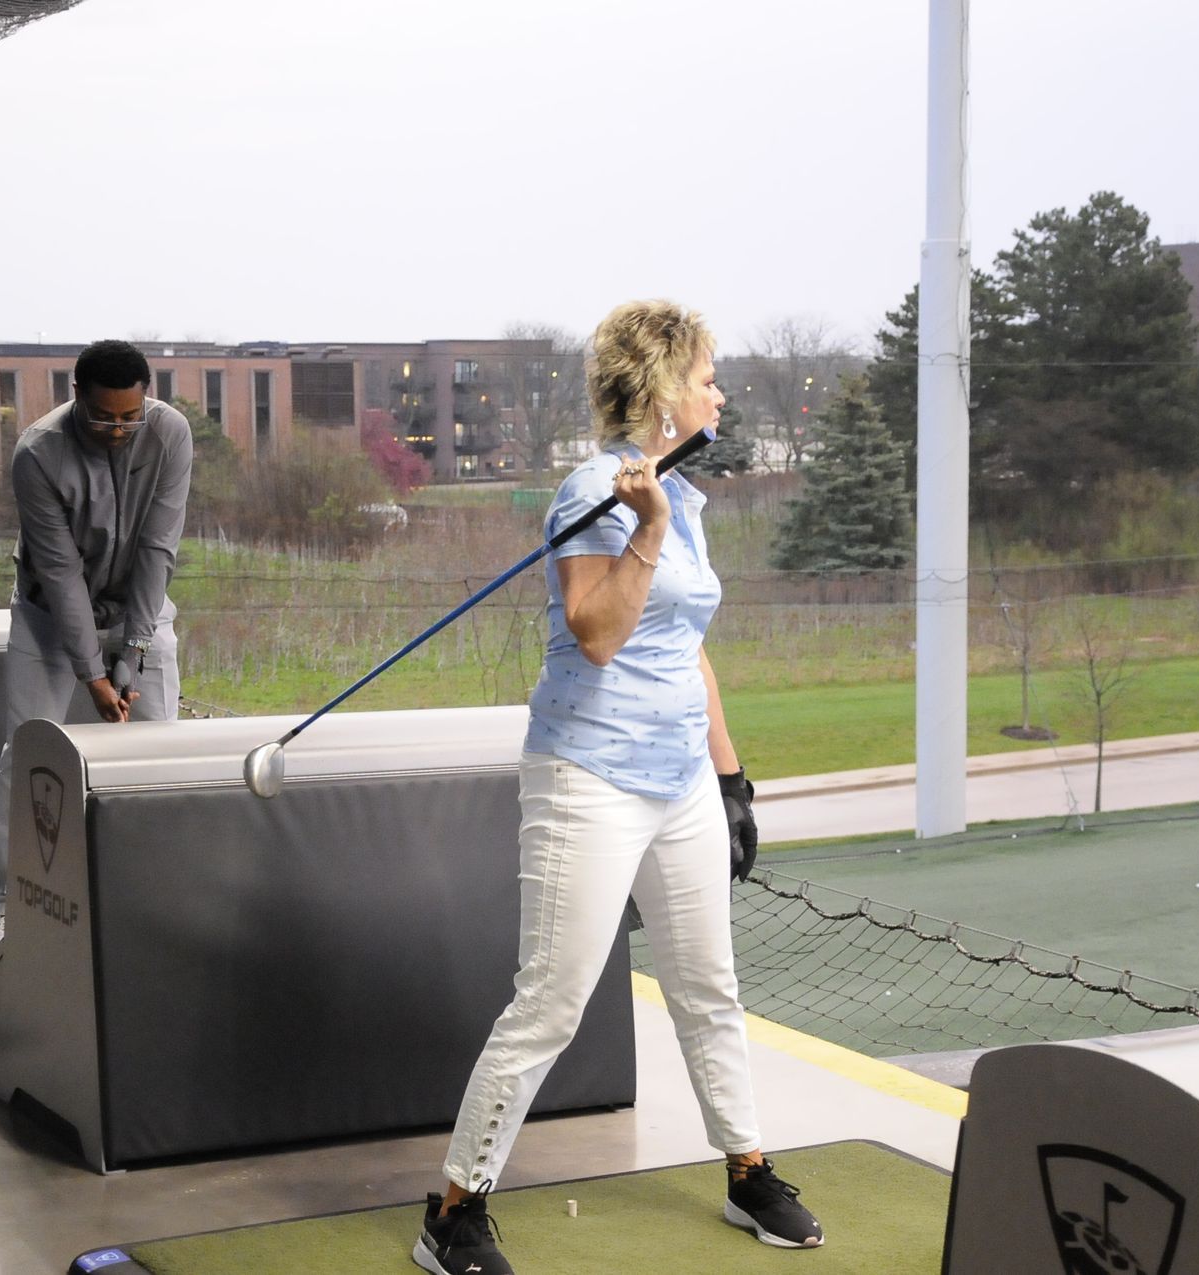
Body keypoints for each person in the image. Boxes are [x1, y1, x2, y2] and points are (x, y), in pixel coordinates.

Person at [413, 301, 822, 1275]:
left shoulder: (681, 498)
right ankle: (452, 1213)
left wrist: (731, 777)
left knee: (708, 985)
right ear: (664, 388)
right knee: (551, 1004)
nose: (720, 392)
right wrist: (649, 526)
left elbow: (688, 650)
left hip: (680, 780)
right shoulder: (593, 495)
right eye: (708, 377)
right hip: (588, 776)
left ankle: (747, 1169)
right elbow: (597, 633)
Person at [0, 339, 192, 952]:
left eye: (131, 416)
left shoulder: (170, 433)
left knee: (157, 749)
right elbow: (60, 572)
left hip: (138, 610)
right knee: (29, 753)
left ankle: (153, 899)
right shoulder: (38, 452)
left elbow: (158, 547)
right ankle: (11, 909)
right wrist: (94, 675)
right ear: (77, 396)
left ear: (147, 399)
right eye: (103, 417)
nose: (118, 430)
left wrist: (135, 651)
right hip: (48, 617)